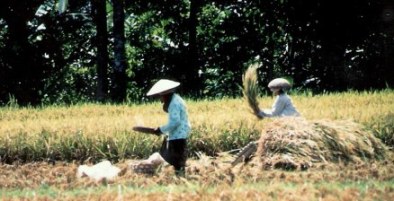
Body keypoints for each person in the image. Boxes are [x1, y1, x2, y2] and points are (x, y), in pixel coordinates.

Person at [133, 79, 191, 176]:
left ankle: (180, 178)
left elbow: (175, 122)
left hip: (178, 135)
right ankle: (178, 176)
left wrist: (160, 129)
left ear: (165, 95)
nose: (161, 100)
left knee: (176, 160)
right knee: (170, 156)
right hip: (177, 134)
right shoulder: (175, 99)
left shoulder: (174, 103)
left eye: (161, 97)